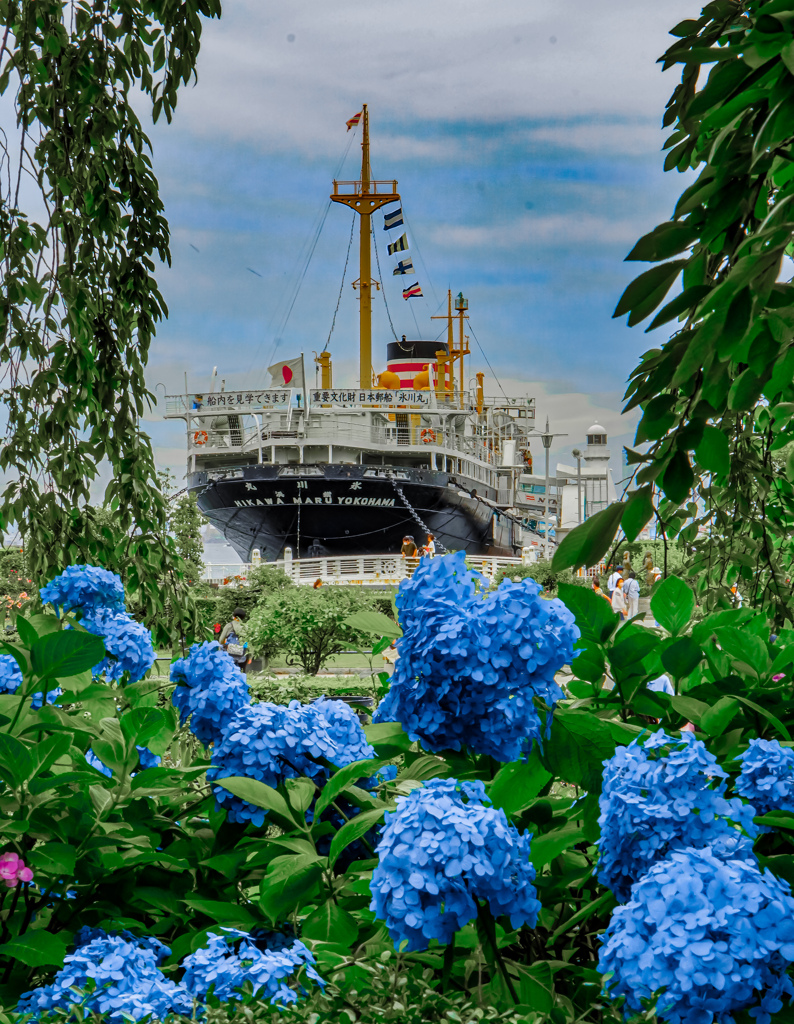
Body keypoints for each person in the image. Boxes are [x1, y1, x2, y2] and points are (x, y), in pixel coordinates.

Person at [220, 607, 249, 672]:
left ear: (234, 616)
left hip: (229, 655)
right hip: (242, 656)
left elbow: (221, 640)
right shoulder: (245, 627)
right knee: (240, 674)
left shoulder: (229, 626)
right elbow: (249, 642)